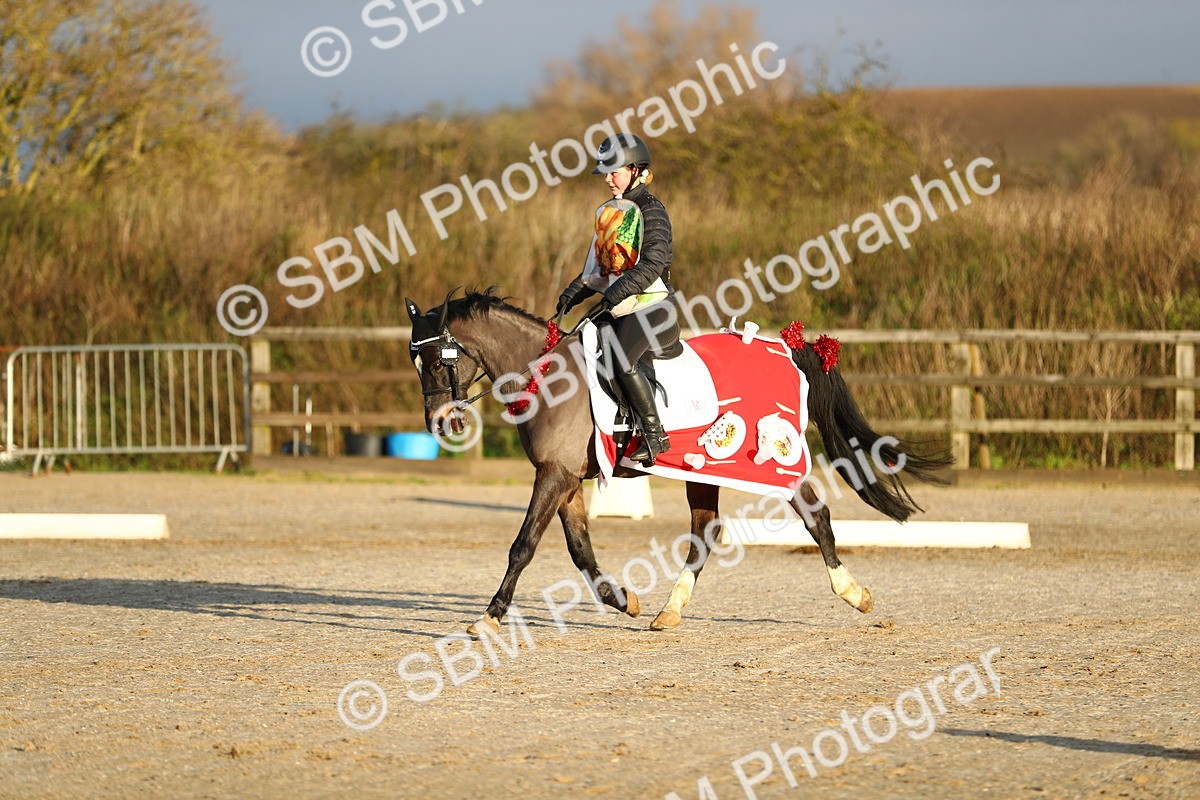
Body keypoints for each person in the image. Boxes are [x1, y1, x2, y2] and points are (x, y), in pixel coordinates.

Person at [557, 133, 681, 466]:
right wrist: (575, 291)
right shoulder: (612, 214)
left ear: (637, 170)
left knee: (622, 358)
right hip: (621, 305)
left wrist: (617, 290)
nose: (608, 179)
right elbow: (600, 266)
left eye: (615, 172)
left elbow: (654, 262)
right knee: (579, 347)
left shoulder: (652, 211)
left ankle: (656, 436)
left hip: (653, 306)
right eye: (606, 173)